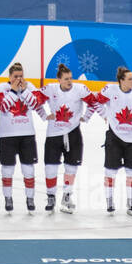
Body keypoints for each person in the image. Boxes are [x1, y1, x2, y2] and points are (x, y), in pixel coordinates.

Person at [33, 63, 95, 214]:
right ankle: (51, 197)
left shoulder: (79, 89)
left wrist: (86, 117)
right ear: (58, 79)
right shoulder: (50, 89)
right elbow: (35, 102)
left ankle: (67, 195)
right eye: (66, 79)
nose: (69, 81)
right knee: (50, 168)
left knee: (71, 167)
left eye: (71, 78)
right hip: (53, 135)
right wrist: (44, 115)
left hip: (73, 133)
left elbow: (94, 103)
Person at [90, 66, 132, 216]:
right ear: (121, 80)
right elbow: (95, 101)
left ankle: (131, 201)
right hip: (114, 137)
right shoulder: (110, 91)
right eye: (130, 79)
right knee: (110, 171)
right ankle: (109, 200)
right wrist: (105, 115)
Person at [0, 63, 41, 214]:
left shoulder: (30, 86)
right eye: (15, 77)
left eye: (21, 76)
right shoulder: (1, 88)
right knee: (7, 169)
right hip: (7, 135)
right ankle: (8, 198)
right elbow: (3, 107)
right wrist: (13, 90)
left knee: (28, 169)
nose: (19, 79)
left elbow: (35, 104)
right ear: (9, 77)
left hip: (27, 134)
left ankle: (30, 198)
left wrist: (24, 90)